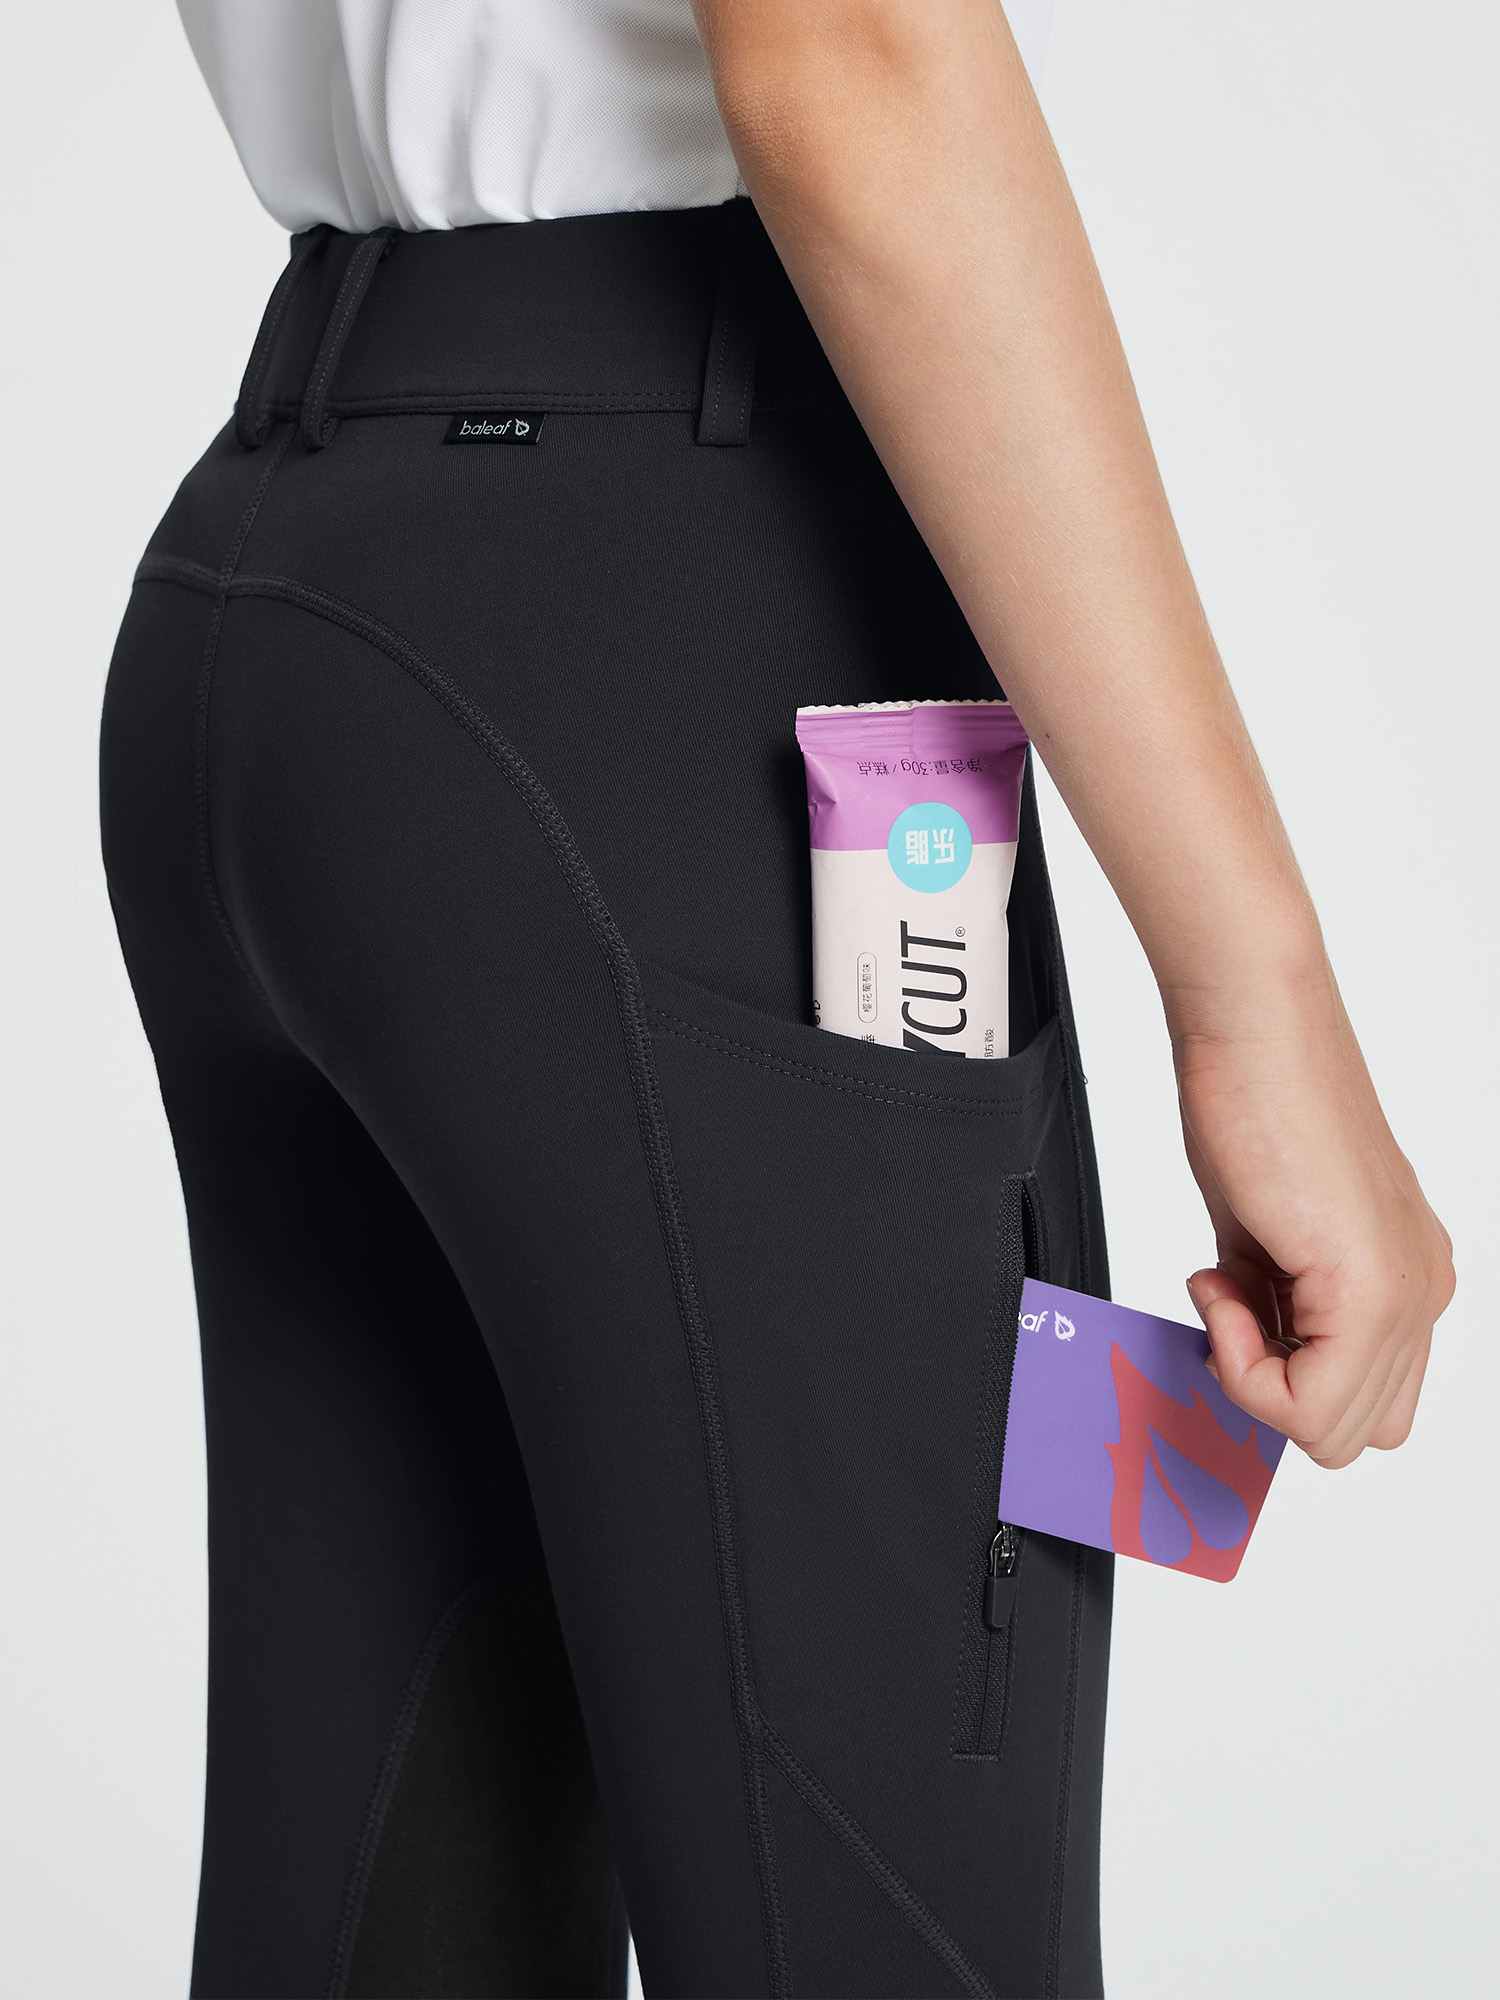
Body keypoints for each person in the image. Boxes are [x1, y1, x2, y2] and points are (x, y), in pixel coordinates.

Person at [101, 3, 1453, 1995]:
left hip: (288, 587)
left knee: (396, 1900)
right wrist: (1258, 987)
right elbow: (850, 49)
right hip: (678, 645)